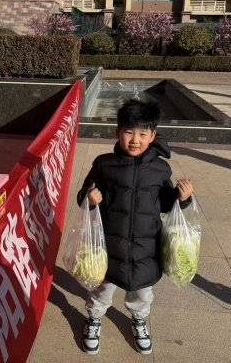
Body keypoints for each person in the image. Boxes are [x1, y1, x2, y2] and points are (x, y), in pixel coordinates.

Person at [76, 100, 194, 355]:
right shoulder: (104, 164)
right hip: (109, 244)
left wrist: (182, 198)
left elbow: (163, 202)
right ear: (118, 133)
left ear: (152, 136)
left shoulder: (160, 168)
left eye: (142, 134)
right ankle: (95, 318)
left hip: (145, 247)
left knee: (142, 292)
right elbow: (82, 198)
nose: (135, 140)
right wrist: (91, 199)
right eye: (129, 132)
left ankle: (139, 320)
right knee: (102, 287)